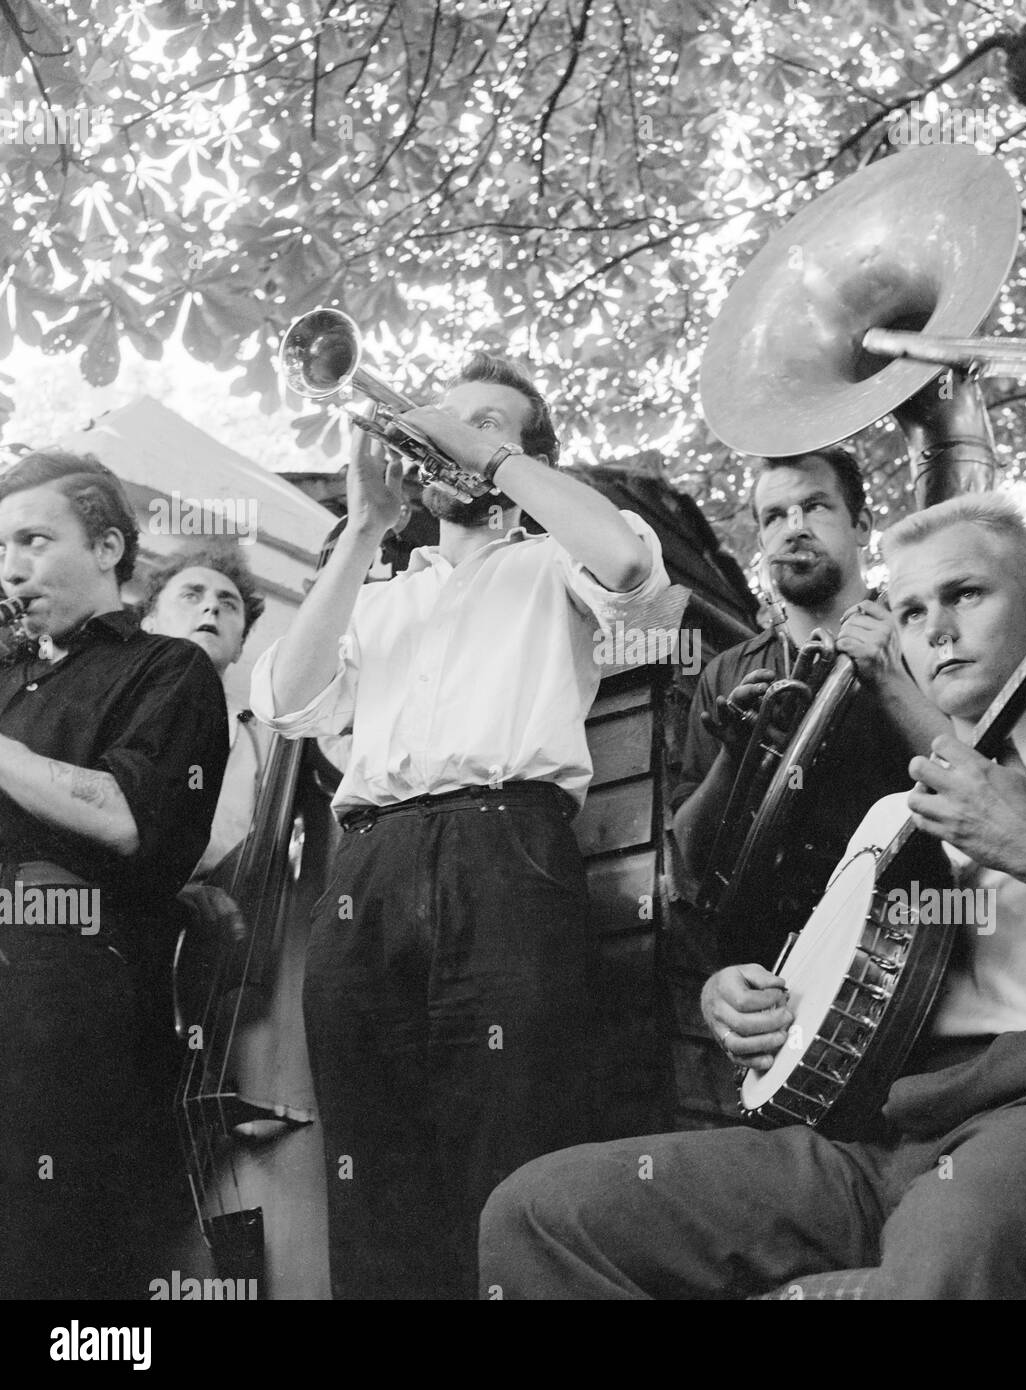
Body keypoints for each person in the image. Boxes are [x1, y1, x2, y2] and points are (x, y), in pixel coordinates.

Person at [479, 493, 1026, 1300]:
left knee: (953, 1255)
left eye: (964, 594)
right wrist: (750, 1003)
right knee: (543, 1212)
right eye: (908, 612)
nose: (935, 628)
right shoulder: (890, 816)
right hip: (877, 1135)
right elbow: (825, 988)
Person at [250, 351, 669, 1300]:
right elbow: (286, 701)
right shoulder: (383, 592)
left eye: (489, 425)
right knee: (370, 1168)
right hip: (368, 867)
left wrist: (490, 455)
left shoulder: (554, 560)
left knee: (510, 1153)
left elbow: (633, 566)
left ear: (525, 461)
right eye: (447, 422)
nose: (453, 437)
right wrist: (364, 527)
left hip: (507, 851)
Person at [0, 450, 228, 1299]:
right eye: (1, 548)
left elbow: (123, 815)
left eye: (33, 539)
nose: (12, 567)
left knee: (49, 1256)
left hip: (69, 996)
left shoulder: (169, 668)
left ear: (106, 547)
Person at [671, 447, 948, 960]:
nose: (793, 529)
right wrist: (735, 758)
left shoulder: (924, 634)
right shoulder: (724, 674)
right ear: (761, 541)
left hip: (916, 955)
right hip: (776, 973)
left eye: (815, 507)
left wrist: (889, 678)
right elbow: (689, 862)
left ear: (862, 525)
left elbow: (982, 773)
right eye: (775, 517)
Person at [141, 547, 267, 876]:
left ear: (240, 646)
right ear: (149, 623)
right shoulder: (109, 700)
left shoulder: (259, 734)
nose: (211, 607)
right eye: (191, 596)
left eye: (228, 604)